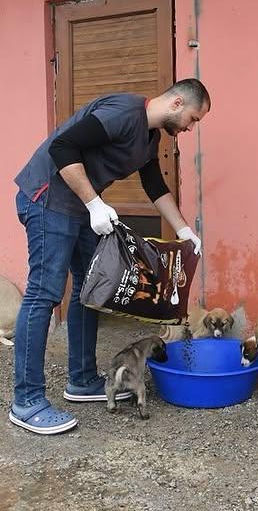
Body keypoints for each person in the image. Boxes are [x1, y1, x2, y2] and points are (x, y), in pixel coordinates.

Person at [10, 78, 210, 435]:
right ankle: (26, 401)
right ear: (177, 103)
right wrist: (95, 203)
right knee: (44, 294)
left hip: (82, 207)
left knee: (94, 289)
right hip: (48, 199)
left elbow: (155, 187)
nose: (191, 128)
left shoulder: (151, 138)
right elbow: (63, 147)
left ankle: (82, 379)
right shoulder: (122, 113)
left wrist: (184, 230)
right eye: (193, 119)